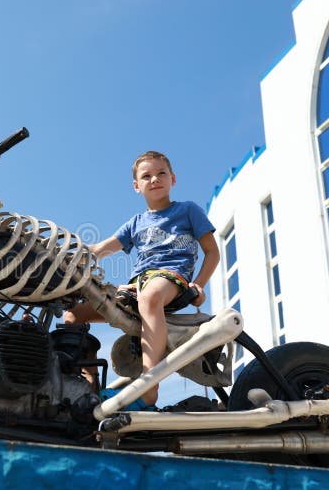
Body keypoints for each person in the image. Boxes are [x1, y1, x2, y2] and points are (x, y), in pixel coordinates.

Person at [66, 151, 220, 408]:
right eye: (146, 176)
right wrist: (67, 253)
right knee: (73, 313)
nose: (154, 179)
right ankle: (87, 382)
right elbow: (101, 248)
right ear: (137, 186)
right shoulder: (135, 223)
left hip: (171, 279)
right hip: (139, 285)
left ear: (173, 178)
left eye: (161, 173)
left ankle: (149, 387)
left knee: (150, 295)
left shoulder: (187, 210)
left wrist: (200, 284)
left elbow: (212, 251)